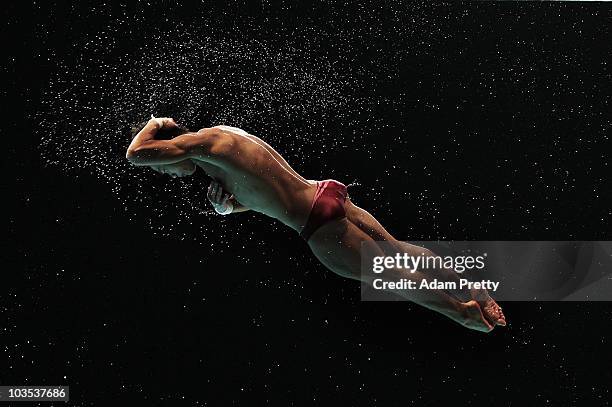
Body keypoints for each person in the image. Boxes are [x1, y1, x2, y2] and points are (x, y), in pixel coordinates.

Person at [126, 116, 506, 332]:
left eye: (165, 167)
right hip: (323, 192)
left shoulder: (202, 145)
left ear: (169, 143)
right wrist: (231, 208)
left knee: (393, 276)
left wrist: (153, 124)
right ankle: (467, 287)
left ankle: (464, 313)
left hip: (314, 223)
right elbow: (265, 189)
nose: (169, 174)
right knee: (398, 250)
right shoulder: (224, 138)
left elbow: (136, 155)